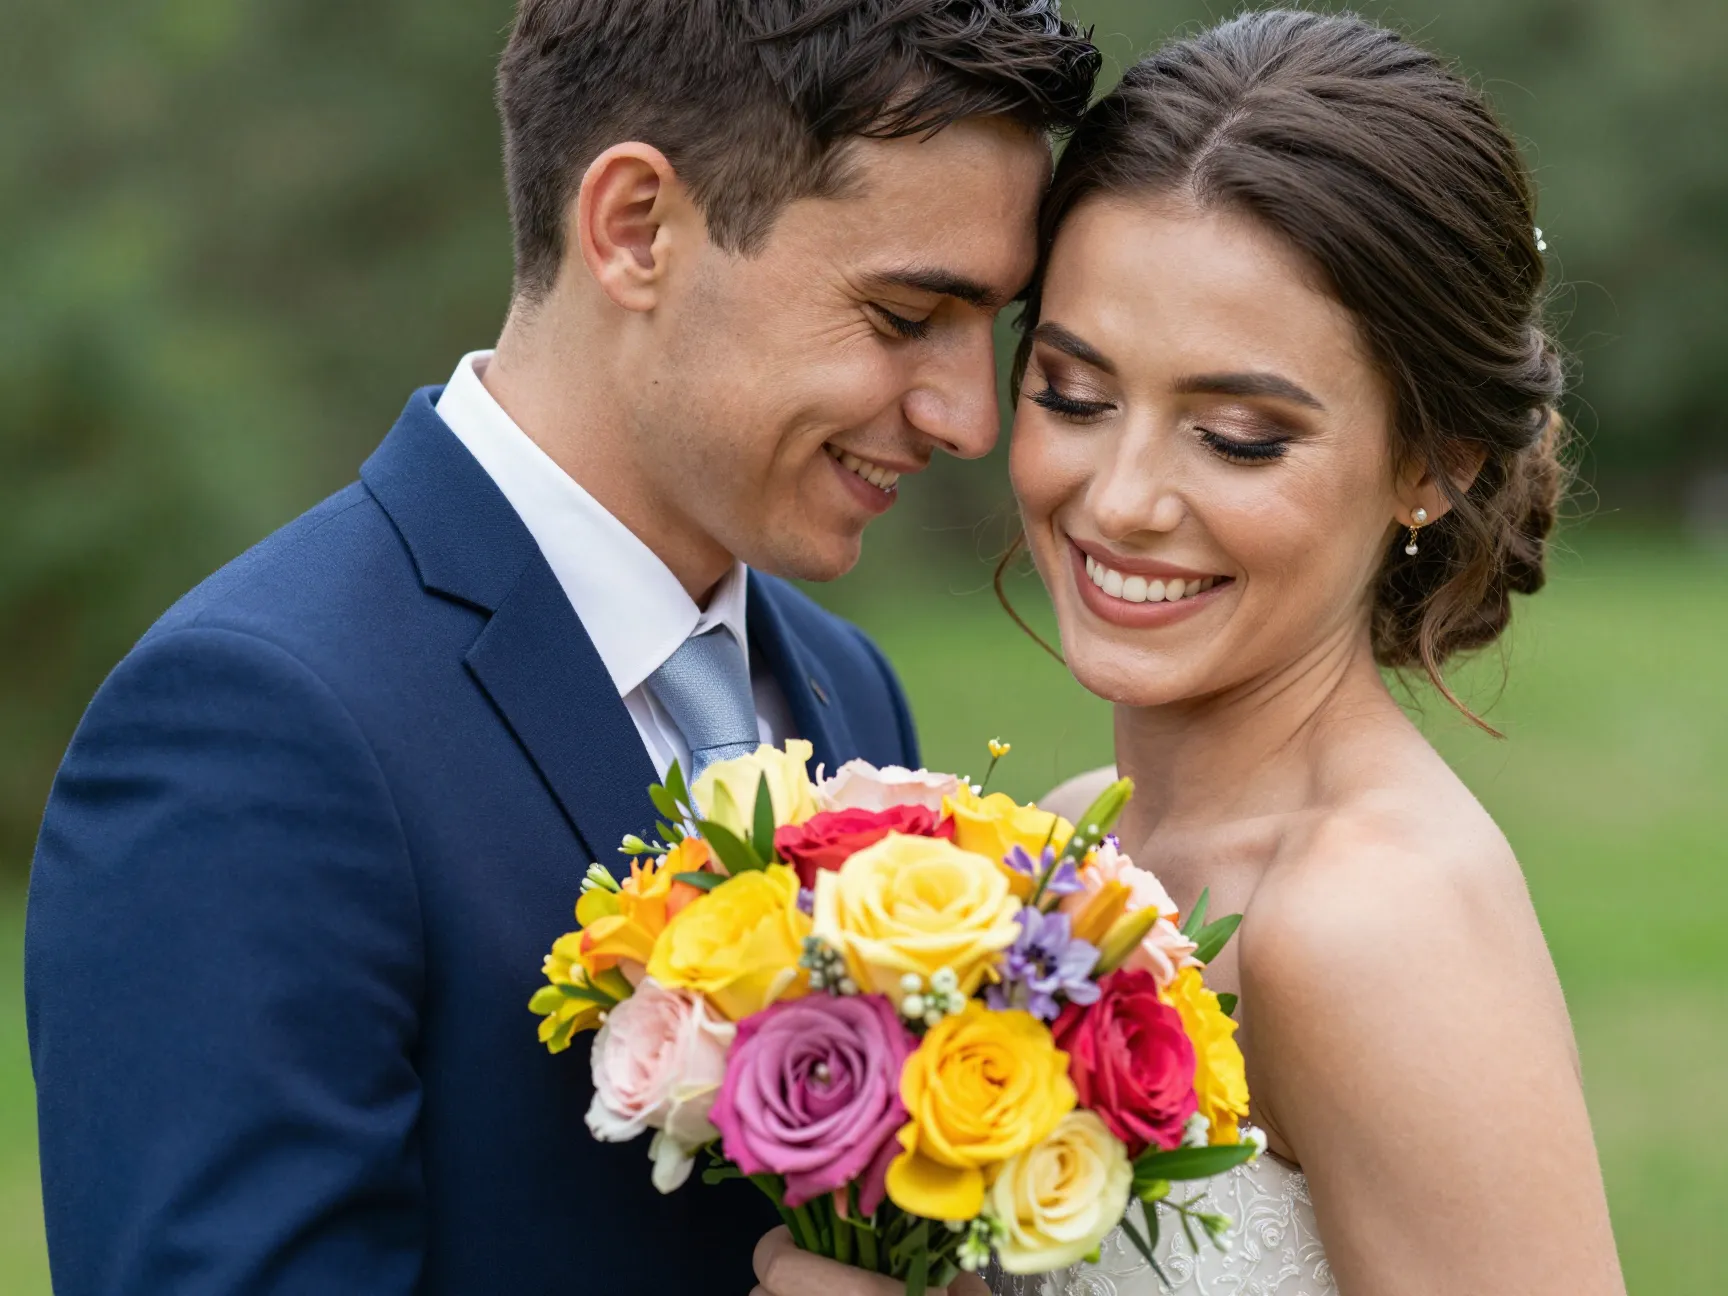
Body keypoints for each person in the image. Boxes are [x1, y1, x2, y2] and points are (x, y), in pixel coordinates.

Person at [24, 3, 1097, 1293]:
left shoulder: (842, 686)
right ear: (636, 226)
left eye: (992, 329)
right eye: (904, 313)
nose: (969, 417)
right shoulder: (256, 725)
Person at [989, 12, 1625, 1295]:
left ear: (1431, 464)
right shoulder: (1067, 848)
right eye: (1073, 394)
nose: (1119, 499)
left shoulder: (1368, 926)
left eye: (1235, 436)